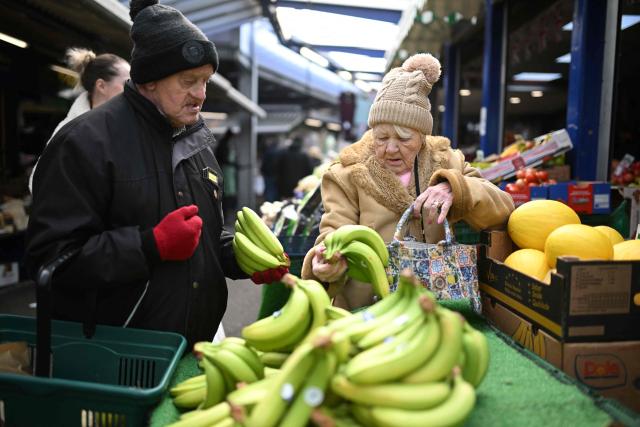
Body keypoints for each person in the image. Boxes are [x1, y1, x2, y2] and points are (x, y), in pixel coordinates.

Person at [25, 0, 286, 346]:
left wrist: (241, 258)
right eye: (188, 80)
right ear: (149, 81)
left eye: (205, 81)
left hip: (193, 348)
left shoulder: (198, 142)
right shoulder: (84, 142)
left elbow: (202, 237)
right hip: (116, 352)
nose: (201, 95)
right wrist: (150, 245)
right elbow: (50, 259)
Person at [301, 53, 515, 310]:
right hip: (367, 310)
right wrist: (325, 263)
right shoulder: (345, 174)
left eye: (403, 139)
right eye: (381, 137)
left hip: (433, 308)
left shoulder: (447, 162)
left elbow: (503, 210)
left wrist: (455, 187)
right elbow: (332, 234)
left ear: (422, 135)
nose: (391, 148)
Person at [28, 48, 130, 192]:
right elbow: (38, 182)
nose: (133, 90)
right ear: (101, 85)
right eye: (127, 83)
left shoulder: (126, 123)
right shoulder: (69, 131)